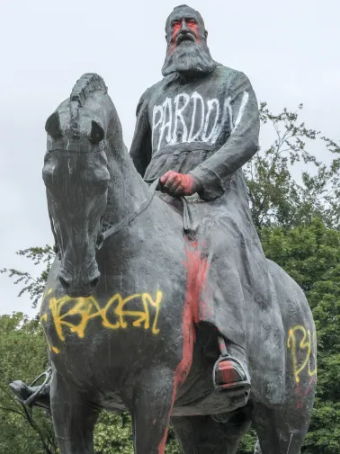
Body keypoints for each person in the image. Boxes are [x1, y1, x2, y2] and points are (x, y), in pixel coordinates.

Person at [13, 4, 285, 407]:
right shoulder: (151, 97)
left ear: (204, 34)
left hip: (214, 201)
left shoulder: (232, 83)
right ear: (167, 39)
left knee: (219, 239)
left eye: (191, 23)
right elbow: (132, 162)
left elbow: (244, 140)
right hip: (157, 201)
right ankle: (61, 368)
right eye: (175, 25)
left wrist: (197, 178)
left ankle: (232, 352)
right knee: (102, 240)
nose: (183, 29)